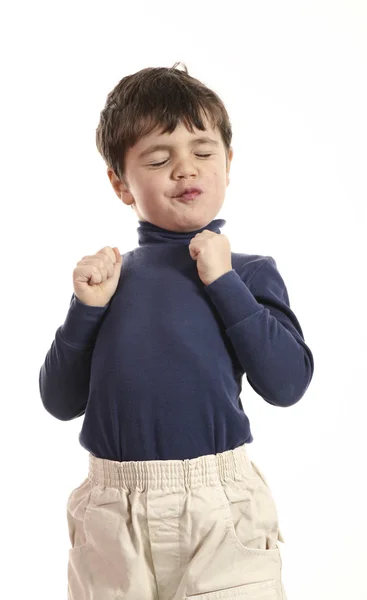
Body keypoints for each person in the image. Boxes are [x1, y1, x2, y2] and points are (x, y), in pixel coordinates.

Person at [39, 61, 314, 599]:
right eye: (160, 158)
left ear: (229, 164)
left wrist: (225, 282)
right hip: (112, 514)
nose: (186, 170)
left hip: (219, 511)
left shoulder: (249, 272)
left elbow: (288, 384)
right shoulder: (110, 279)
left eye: (204, 153)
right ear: (121, 183)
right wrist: (85, 309)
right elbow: (59, 400)